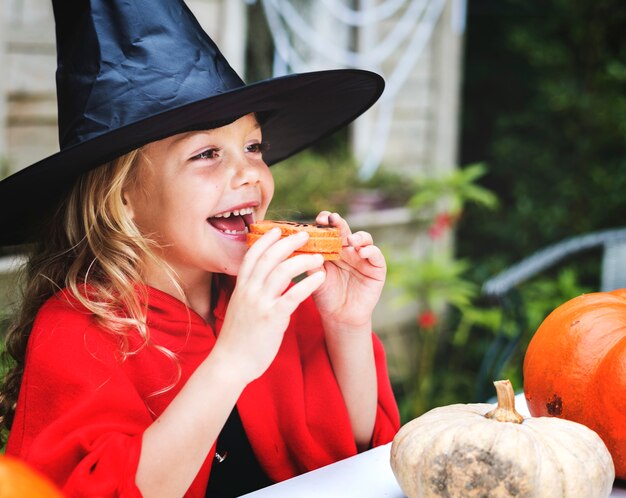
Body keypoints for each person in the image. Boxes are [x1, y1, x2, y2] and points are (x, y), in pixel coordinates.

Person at [0, 1, 400, 497]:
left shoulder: (276, 297)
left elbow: (355, 450)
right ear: (122, 196)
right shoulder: (79, 330)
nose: (249, 174)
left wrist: (346, 327)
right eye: (207, 154)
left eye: (254, 147)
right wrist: (233, 359)